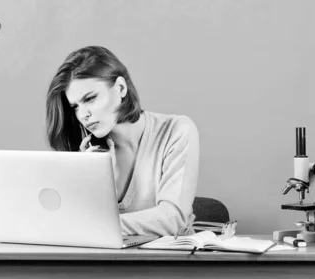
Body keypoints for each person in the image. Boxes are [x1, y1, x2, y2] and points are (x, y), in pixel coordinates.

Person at [45, 46, 200, 236]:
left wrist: (98, 225)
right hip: (104, 264)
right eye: (75, 107)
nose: (83, 114)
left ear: (120, 88)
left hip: (169, 263)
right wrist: (90, 178)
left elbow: (173, 219)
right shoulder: (89, 152)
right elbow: (70, 226)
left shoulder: (175, 131)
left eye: (90, 98)